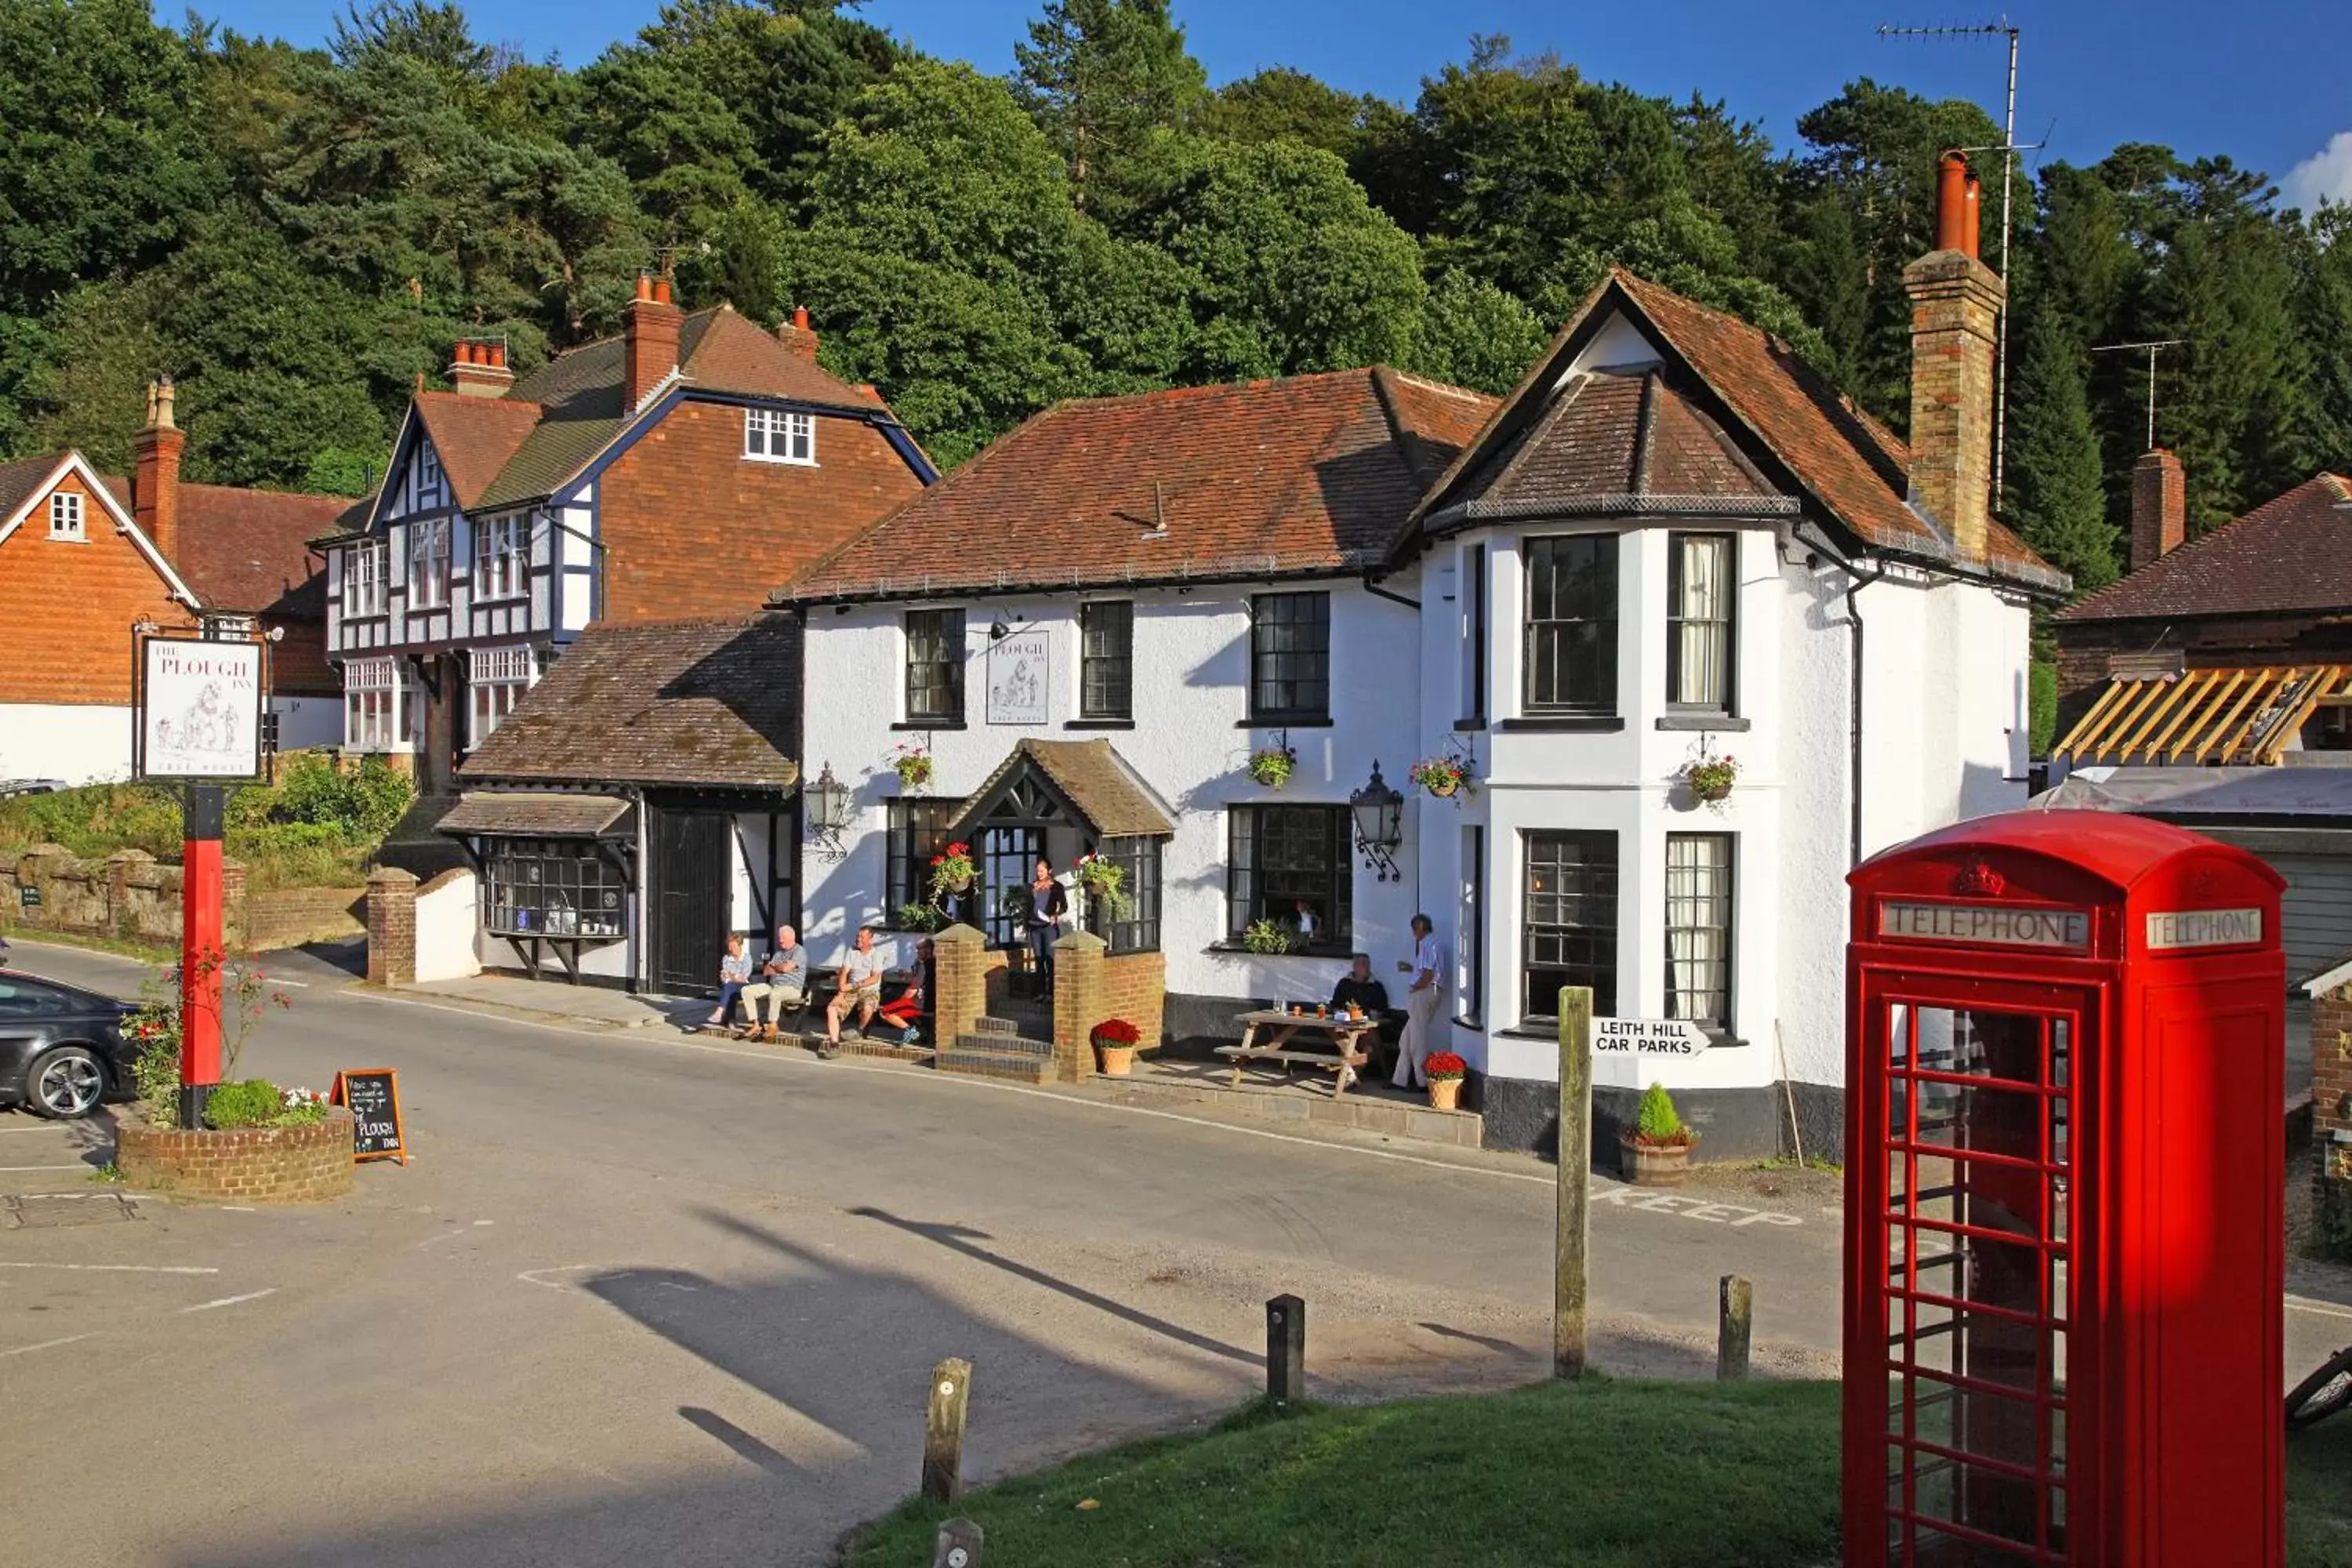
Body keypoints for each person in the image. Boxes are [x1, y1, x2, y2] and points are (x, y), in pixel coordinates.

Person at [1392, 914, 1445, 1090]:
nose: (1414, 934)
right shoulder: (1432, 943)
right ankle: (1400, 1080)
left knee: (1417, 1040)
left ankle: (1422, 1082)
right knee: (1405, 1040)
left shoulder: (1428, 944)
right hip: (1427, 991)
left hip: (1424, 992)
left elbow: (1428, 974)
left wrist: (1417, 987)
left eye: (1415, 929)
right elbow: (1427, 969)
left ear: (1421, 927)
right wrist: (1411, 969)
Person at [823, 926, 888, 1057]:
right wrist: (841, 992)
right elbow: (844, 972)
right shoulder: (852, 952)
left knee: (868, 1007)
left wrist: (853, 986)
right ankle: (834, 1045)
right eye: (858, 936)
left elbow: (874, 978)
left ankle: (859, 1030)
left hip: (869, 990)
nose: (858, 939)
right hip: (851, 991)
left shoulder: (876, 954)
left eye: (862, 937)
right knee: (831, 1009)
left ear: (870, 939)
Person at [739, 924, 805, 1040]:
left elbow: (786, 969)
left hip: (792, 988)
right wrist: (779, 967)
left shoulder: (799, 951)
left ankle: (773, 1025)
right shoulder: (779, 954)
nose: (780, 940)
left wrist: (776, 967)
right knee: (746, 990)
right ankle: (755, 1025)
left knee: (775, 993)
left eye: (782, 937)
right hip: (773, 985)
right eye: (779, 937)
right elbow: (766, 971)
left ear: (791, 937)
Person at [874, 938, 933, 1044]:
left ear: (928, 949)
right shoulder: (930, 962)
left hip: (920, 1004)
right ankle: (920, 1031)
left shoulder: (924, 966)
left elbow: (912, 989)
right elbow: (920, 979)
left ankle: (914, 1033)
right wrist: (906, 975)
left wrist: (899, 1003)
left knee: (884, 1012)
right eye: (916, 949)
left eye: (919, 949)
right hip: (925, 1002)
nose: (917, 951)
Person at [1024, 858, 1069, 996]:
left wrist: (1055, 915)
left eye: (1042, 871)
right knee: (1039, 960)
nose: (1039, 873)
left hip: (1049, 928)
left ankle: (1051, 993)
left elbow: (1064, 906)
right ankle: (1041, 993)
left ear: (1049, 871)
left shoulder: (1057, 886)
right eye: (1037, 871)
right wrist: (1027, 926)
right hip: (1035, 928)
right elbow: (1028, 908)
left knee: (1050, 960)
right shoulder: (1032, 887)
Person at [705, 932, 753, 1031]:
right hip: (730, 987)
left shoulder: (747, 958)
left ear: (740, 945)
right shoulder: (726, 958)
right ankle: (729, 1019)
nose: (730, 949)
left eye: (733, 946)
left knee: (729, 987)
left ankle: (720, 1013)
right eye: (729, 946)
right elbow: (724, 976)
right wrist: (730, 976)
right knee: (730, 989)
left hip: (744, 987)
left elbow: (743, 978)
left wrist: (731, 975)